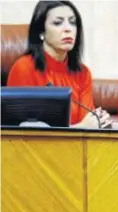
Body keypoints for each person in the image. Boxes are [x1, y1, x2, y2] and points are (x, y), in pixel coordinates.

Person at [7, 0, 111, 128]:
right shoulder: (24, 68)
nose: (68, 29)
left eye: (73, 23)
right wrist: (80, 128)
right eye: (58, 23)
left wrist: (98, 121)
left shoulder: (82, 73)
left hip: (79, 146)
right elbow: (24, 132)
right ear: (41, 32)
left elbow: (89, 122)